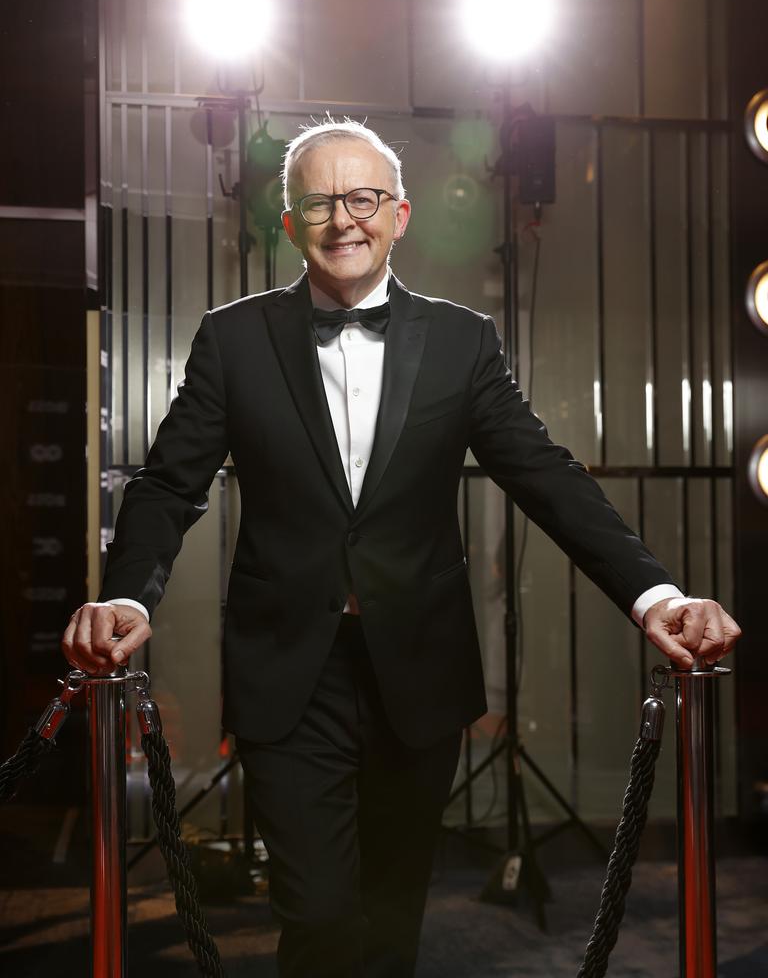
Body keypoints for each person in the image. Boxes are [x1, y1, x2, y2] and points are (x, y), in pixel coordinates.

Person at [61, 120, 741, 977]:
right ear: (289, 222)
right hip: (286, 674)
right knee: (316, 912)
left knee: (392, 918)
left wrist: (657, 597)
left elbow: (546, 476)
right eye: (319, 200)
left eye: (364, 198)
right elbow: (167, 484)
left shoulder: (464, 341)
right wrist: (127, 597)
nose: (343, 219)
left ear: (401, 215)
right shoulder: (233, 338)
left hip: (417, 669)